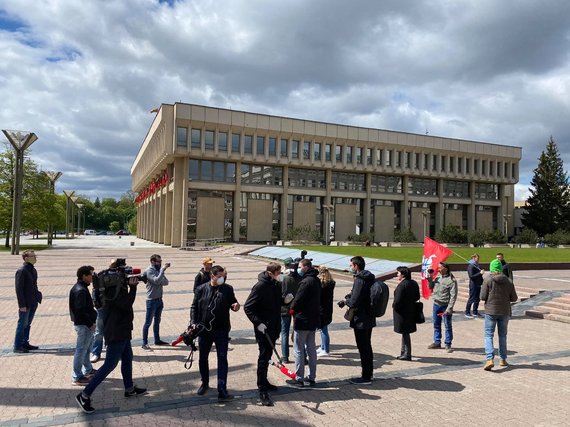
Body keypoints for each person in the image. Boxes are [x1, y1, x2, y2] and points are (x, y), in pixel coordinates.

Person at [75, 259, 147, 414]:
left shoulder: (111, 288)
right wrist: (133, 289)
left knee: (127, 358)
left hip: (122, 329)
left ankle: (129, 389)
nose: (127, 275)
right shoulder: (114, 290)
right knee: (109, 365)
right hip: (117, 331)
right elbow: (126, 304)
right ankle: (84, 395)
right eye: (124, 272)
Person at [191, 265, 240, 402]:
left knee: (222, 359)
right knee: (203, 358)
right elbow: (194, 307)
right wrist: (193, 323)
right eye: (219, 276)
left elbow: (234, 302)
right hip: (204, 330)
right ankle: (204, 382)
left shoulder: (228, 289)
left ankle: (222, 389)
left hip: (221, 330)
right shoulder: (201, 289)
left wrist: (236, 306)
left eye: (223, 276)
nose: (222, 279)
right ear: (212, 276)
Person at [244, 262, 290, 407]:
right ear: (270, 273)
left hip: (273, 328)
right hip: (264, 329)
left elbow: (275, 303)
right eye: (278, 272)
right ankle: (262, 389)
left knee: (267, 356)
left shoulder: (275, 284)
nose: (280, 274)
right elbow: (248, 307)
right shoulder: (260, 286)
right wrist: (258, 323)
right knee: (263, 358)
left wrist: (285, 301)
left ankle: (264, 381)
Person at [340, 256, 376, 385]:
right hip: (369, 316)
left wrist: (346, 301)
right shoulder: (369, 278)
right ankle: (369, 374)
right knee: (367, 345)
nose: (350, 268)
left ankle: (366, 376)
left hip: (361, 318)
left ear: (356, 266)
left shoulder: (360, 280)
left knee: (363, 347)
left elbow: (354, 301)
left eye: (351, 265)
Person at [288, 259, 321, 387]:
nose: (299, 269)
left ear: (306, 267)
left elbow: (298, 299)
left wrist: (292, 308)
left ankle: (299, 377)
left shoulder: (306, 282)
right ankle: (311, 376)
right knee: (311, 348)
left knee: (299, 349)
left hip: (302, 320)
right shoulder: (316, 280)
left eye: (300, 266)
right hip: (313, 320)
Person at [480, 259, 518, 371]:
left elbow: (482, 296)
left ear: (491, 268)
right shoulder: (508, 281)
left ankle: (489, 359)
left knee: (488, 335)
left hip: (491, 311)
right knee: (502, 336)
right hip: (505, 311)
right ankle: (502, 359)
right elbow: (514, 298)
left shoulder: (488, 280)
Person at [69, 266, 98, 385]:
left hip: (84, 324)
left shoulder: (81, 288)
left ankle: (88, 369)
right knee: (81, 350)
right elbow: (80, 310)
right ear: (84, 276)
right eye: (90, 274)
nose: (92, 277)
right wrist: (90, 323)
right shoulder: (80, 290)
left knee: (86, 349)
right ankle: (77, 376)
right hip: (84, 325)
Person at [14, 250, 42, 353]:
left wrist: (38, 295)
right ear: (26, 258)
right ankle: (17, 346)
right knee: (22, 324)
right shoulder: (21, 271)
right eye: (32, 256)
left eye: (35, 256)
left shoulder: (33, 270)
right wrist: (22, 305)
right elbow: (19, 289)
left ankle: (25, 342)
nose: (35, 258)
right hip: (25, 304)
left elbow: (34, 284)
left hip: (33, 302)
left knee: (27, 324)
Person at [141, 254, 170, 351]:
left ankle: (157, 340)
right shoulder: (149, 270)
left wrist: (160, 274)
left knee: (157, 321)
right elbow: (157, 281)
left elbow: (166, 282)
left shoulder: (158, 270)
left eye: (161, 261)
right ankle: (144, 343)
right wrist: (162, 270)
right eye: (158, 261)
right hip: (151, 301)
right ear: (152, 261)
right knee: (148, 322)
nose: (160, 263)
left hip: (159, 300)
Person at [427, 262, 458, 353]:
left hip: (445, 306)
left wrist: (449, 308)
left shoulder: (452, 281)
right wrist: (430, 280)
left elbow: (453, 296)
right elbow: (431, 287)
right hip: (436, 304)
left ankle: (448, 344)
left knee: (447, 325)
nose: (438, 269)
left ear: (446, 269)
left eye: (440, 268)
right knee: (436, 324)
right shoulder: (437, 278)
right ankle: (437, 342)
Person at [392, 266, 421, 361]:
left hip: (402, 313)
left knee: (405, 332)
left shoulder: (402, 285)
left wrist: (394, 306)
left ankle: (407, 353)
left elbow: (397, 301)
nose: (397, 275)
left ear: (403, 274)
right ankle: (403, 351)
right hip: (411, 310)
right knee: (405, 332)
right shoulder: (413, 283)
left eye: (398, 273)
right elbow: (417, 296)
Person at [280, 259, 300, 363]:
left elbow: (281, 293)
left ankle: (285, 357)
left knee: (284, 333)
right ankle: (302, 356)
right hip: (297, 308)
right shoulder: (301, 279)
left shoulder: (284, 279)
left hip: (285, 308)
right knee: (298, 333)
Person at [317, 266, 336, 357]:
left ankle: (326, 349)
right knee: (323, 329)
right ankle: (323, 346)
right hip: (328, 308)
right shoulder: (331, 282)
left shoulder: (322, 284)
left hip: (322, 309)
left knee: (323, 330)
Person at [465, 254, 484, 318]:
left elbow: (479, 276)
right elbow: (471, 276)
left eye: (479, 258)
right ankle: (467, 312)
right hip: (473, 284)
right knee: (472, 298)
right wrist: (480, 273)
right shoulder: (471, 266)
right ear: (473, 258)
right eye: (477, 258)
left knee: (477, 299)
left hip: (478, 284)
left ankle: (475, 312)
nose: (478, 259)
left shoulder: (477, 265)